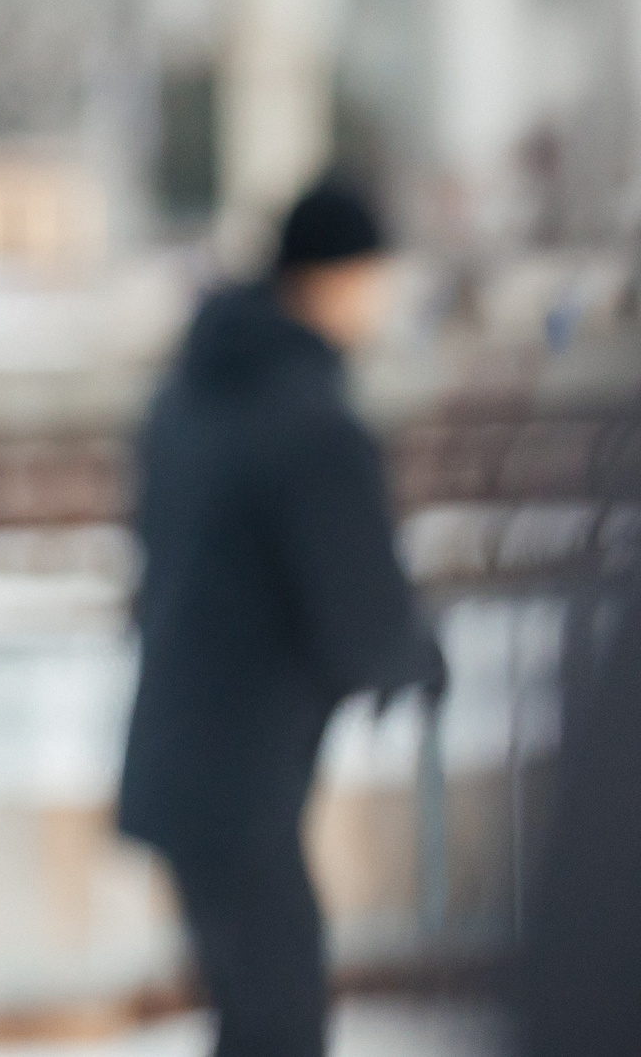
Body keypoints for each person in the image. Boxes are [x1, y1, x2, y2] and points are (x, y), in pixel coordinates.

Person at [118, 178, 446, 1057]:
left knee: (252, 1010)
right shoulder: (309, 419)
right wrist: (417, 656)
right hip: (241, 771)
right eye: (376, 275)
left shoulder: (194, 388)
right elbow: (357, 605)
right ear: (334, 277)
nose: (382, 299)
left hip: (181, 752)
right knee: (282, 1018)